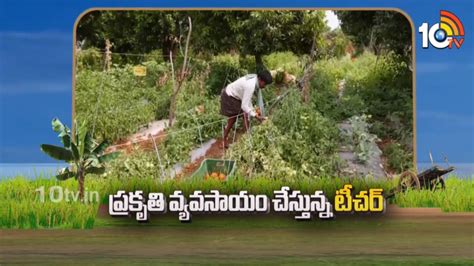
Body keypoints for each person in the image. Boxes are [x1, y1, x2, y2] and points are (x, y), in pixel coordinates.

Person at [220, 70, 273, 148]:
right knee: (235, 117)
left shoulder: (254, 80)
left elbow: (247, 101)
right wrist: (255, 116)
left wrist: (254, 112)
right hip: (229, 95)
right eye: (264, 84)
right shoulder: (250, 85)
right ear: (260, 79)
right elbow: (244, 106)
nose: (264, 87)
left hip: (236, 96)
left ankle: (246, 137)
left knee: (244, 115)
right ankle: (226, 140)